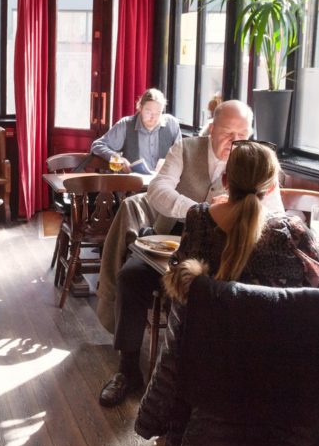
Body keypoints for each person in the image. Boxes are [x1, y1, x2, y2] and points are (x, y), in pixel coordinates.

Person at [134, 141, 319, 425]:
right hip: (275, 367)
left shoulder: (199, 219)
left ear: (225, 181)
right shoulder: (290, 231)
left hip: (209, 361)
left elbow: (179, 279)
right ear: (272, 187)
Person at [97, 101, 285, 406]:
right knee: (131, 277)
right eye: (227, 132)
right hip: (171, 238)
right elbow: (157, 190)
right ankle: (127, 370)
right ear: (212, 128)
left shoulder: (256, 159)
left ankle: (193, 383)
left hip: (228, 251)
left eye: (242, 134)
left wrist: (235, 218)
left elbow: (276, 213)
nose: (234, 141)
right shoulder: (185, 148)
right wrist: (202, 211)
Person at [90, 88, 180, 173]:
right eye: (148, 112)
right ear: (140, 108)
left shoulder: (172, 124)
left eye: (158, 113)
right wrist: (116, 158)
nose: (153, 118)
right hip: (133, 182)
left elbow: (181, 154)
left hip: (164, 181)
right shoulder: (126, 125)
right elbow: (97, 145)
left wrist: (170, 162)